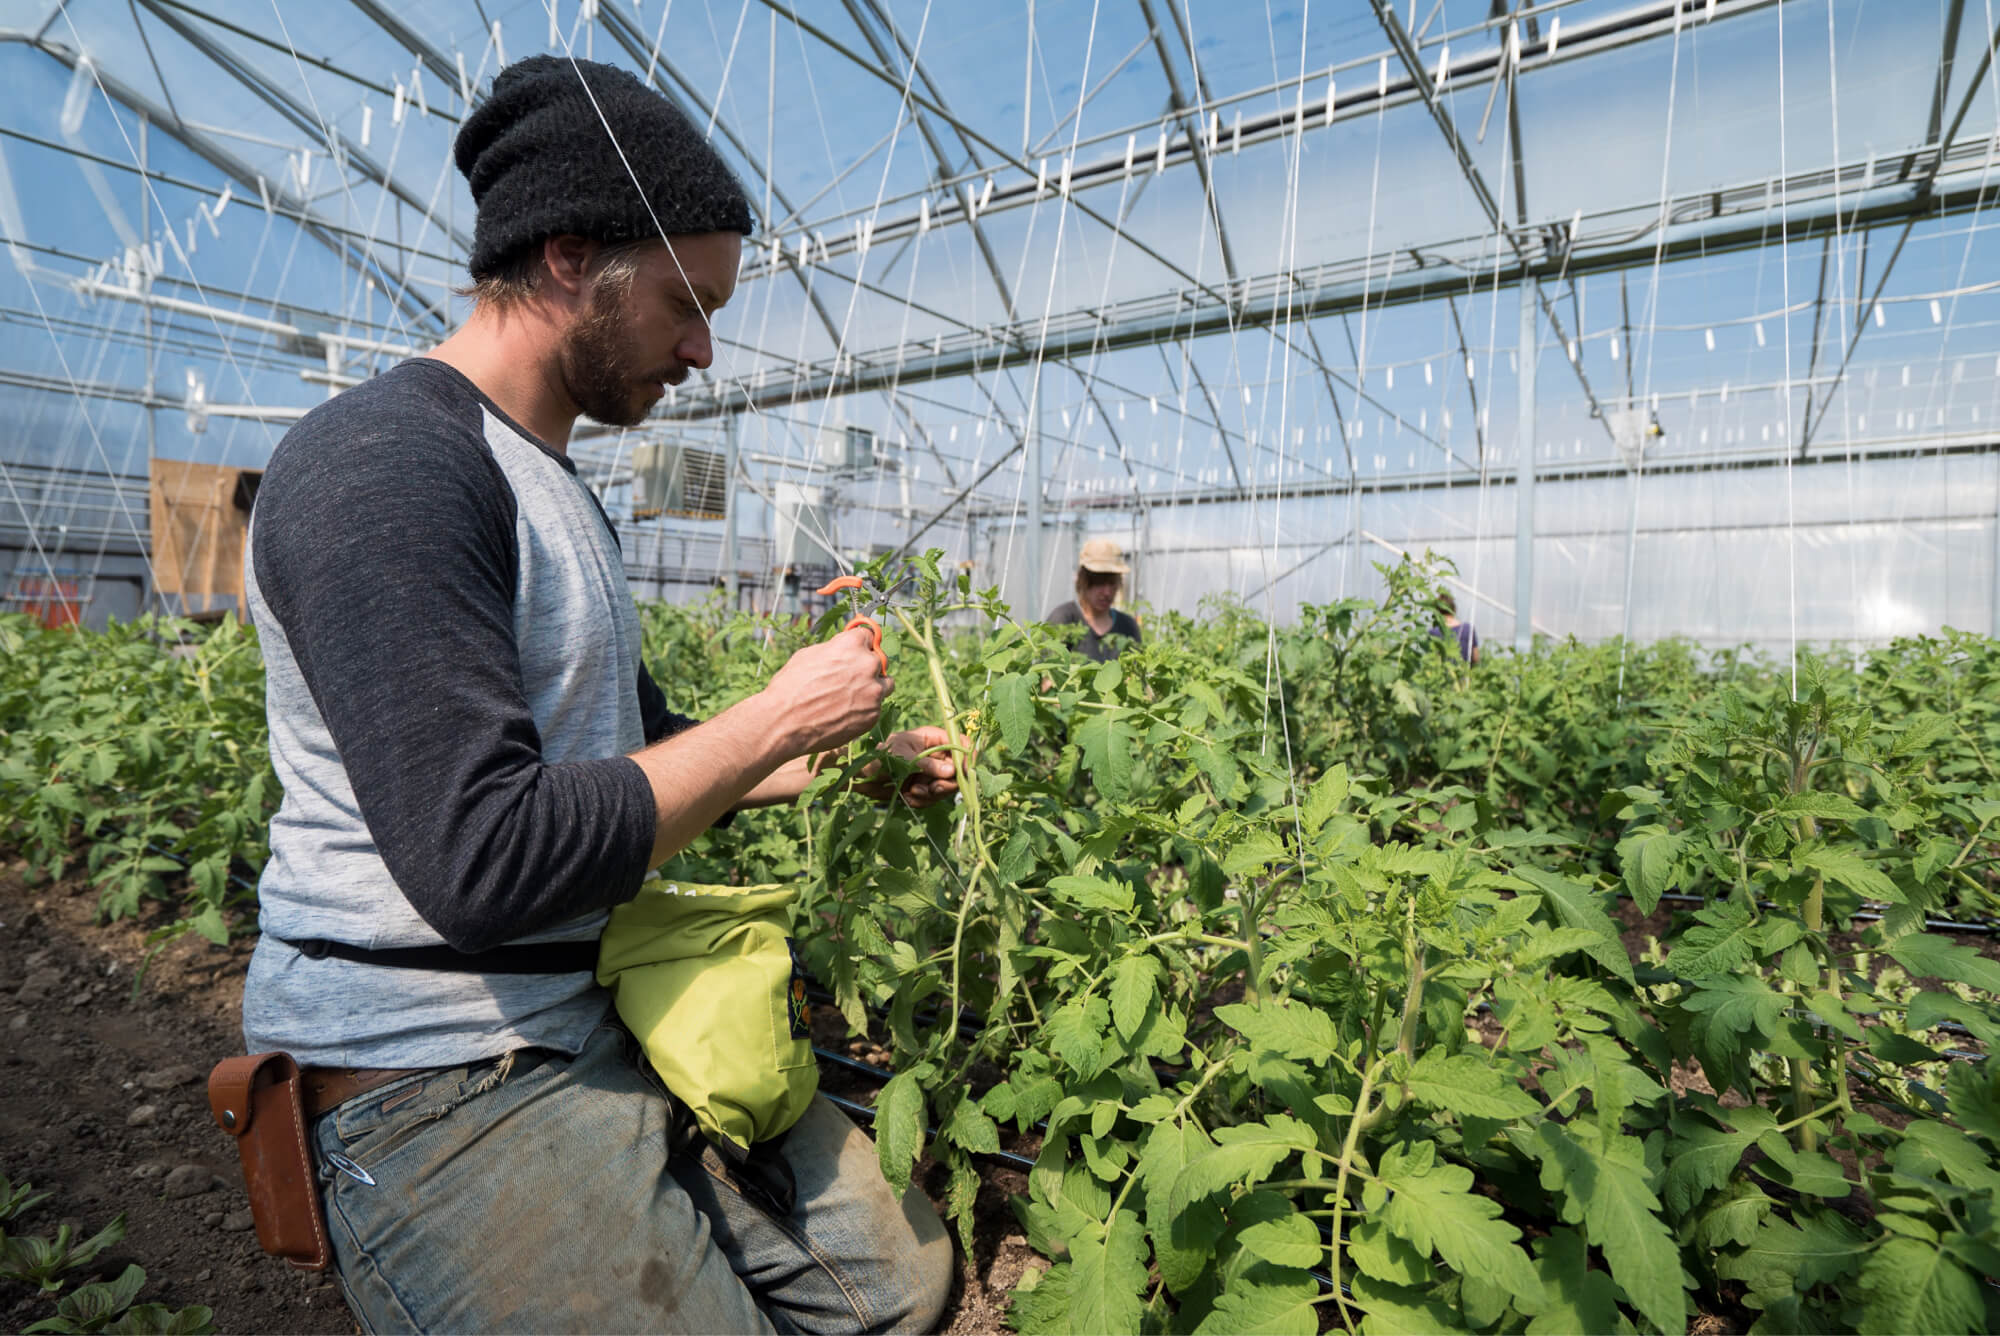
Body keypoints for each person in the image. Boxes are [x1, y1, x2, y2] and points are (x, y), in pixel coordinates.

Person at [239, 56, 956, 1333]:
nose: (704, 346)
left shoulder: (546, 478)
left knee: (896, 1283)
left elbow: (636, 746)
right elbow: (485, 858)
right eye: (686, 300)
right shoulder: (383, 467)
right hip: (429, 1068)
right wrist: (775, 715)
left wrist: (836, 757)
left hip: (589, 1002)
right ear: (570, 256)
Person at [1044, 538, 1143, 662]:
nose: (1107, 592)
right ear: (1083, 580)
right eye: (1099, 582)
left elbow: (1136, 674)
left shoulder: (1128, 626)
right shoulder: (1063, 619)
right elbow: (1049, 676)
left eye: (1112, 583)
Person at [1433, 590, 1481, 664]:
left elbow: (1432, 658)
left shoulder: (1434, 632)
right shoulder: (1467, 629)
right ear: (1454, 609)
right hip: (1464, 672)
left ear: (1437, 611)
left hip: (1441, 673)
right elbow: (1476, 658)